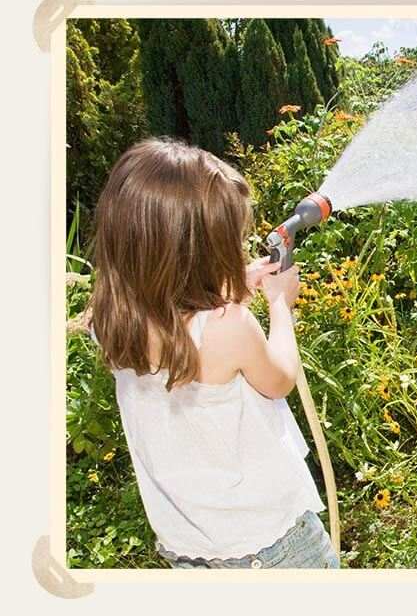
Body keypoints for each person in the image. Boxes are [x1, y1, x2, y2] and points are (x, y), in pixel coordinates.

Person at [88, 138, 339, 569]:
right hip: (273, 545)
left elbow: (175, 305)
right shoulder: (230, 327)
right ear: (198, 251)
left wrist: (239, 280)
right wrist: (281, 305)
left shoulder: (108, 319)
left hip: (191, 544)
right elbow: (279, 379)